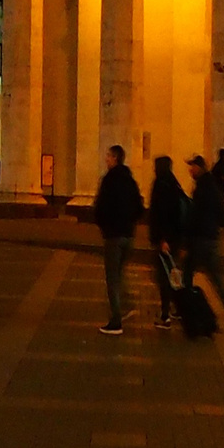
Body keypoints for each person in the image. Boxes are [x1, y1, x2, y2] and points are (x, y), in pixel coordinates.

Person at [93, 144, 144, 336]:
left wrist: (104, 226)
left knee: (113, 278)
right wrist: (130, 224)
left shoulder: (109, 180)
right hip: (128, 235)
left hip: (113, 235)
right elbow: (139, 207)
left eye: (108, 156)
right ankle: (127, 306)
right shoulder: (130, 180)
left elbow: (100, 207)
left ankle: (116, 321)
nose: (106, 159)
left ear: (115, 158)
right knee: (120, 273)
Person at [184, 152, 224, 327]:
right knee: (215, 278)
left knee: (188, 272)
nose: (190, 170)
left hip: (201, 238)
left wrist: (188, 236)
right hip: (210, 237)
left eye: (192, 167)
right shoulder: (210, 185)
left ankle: (193, 311)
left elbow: (196, 214)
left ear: (199, 167)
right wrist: (219, 226)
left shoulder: (203, 188)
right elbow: (220, 211)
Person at [147, 156, 188, 327]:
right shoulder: (174, 183)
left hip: (166, 240)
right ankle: (179, 309)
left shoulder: (161, 185)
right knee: (172, 275)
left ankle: (165, 315)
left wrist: (163, 239)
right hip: (176, 238)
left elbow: (162, 214)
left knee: (164, 278)